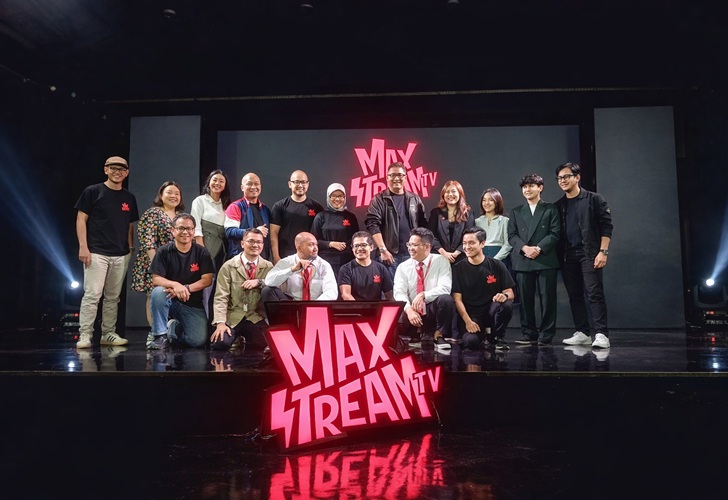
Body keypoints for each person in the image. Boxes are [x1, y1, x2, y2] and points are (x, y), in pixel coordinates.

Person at [75, 156, 139, 349]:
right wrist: (83, 247)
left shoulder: (129, 197)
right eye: (113, 168)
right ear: (106, 169)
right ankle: (85, 334)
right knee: (92, 295)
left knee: (113, 297)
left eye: (121, 169)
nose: (117, 172)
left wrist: (129, 249)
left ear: (127, 173)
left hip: (120, 253)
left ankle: (108, 333)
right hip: (96, 252)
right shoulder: (93, 191)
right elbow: (81, 219)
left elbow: (129, 226)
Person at [554, 162, 613, 349]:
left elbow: (606, 226)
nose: (562, 181)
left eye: (566, 176)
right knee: (575, 295)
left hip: (589, 253)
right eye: (559, 178)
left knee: (594, 294)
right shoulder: (559, 205)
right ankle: (583, 332)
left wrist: (603, 251)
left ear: (577, 177)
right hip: (567, 255)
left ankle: (601, 334)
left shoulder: (594, 199)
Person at [147, 214, 215, 350]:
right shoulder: (164, 251)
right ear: (173, 230)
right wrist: (176, 285)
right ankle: (159, 335)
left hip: (192, 303)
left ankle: (173, 329)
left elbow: (207, 280)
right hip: (170, 298)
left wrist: (186, 288)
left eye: (189, 228)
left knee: (198, 341)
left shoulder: (202, 253)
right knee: (158, 292)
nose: (185, 232)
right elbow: (156, 279)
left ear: (194, 231)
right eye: (181, 228)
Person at [508, 174, 561, 346]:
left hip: (545, 258)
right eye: (525, 187)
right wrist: (525, 248)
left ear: (540, 188)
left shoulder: (550, 209)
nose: (527, 189)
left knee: (548, 299)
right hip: (523, 259)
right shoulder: (516, 211)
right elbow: (512, 235)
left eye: (531, 186)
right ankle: (529, 333)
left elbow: (555, 233)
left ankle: (546, 334)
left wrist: (538, 248)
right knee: (525, 300)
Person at [452, 227, 516, 351]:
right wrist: (468, 321)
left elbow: (510, 292)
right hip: (471, 315)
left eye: (471, 243)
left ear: (482, 244)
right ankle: (481, 335)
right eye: (464, 243)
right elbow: (457, 299)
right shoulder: (458, 268)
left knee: (506, 305)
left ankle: (496, 336)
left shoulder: (496, 265)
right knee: (471, 342)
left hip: (491, 311)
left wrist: (504, 296)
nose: (467, 247)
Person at [130, 181, 184, 326]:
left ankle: (169, 331)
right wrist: (157, 266)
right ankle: (156, 332)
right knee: (154, 296)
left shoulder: (181, 216)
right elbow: (148, 240)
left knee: (171, 296)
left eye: (177, 193)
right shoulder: (153, 213)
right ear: (161, 195)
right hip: (154, 261)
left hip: (175, 263)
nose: (173, 196)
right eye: (169, 192)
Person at [210, 228, 273, 350]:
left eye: (259, 242)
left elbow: (277, 287)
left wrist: (259, 282)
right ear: (242, 243)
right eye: (251, 241)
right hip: (233, 316)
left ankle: (245, 338)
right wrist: (220, 323)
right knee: (220, 343)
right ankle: (236, 337)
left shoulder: (268, 267)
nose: (255, 245)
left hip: (254, 317)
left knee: (265, 343)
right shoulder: (228, 266)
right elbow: (220, 297)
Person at [365, 162, 427, 281]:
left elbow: (423, 226)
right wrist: (383, 250)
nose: (396, 178)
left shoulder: (414, 199)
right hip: (390, 256)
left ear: (405, 177)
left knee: (414, 288)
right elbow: (372, 225)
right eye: (392, 175)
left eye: (400, 175)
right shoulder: (379, 199)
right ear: (387, 178)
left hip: (412, 254)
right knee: (391, 291)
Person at [393, 227, 454, 349]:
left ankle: (438, 335)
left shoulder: (441, 261)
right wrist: (409, 310)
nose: (410, 248)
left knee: (446, 300)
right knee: (401, 307)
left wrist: (423, 295)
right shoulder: (403, 267)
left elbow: (445, 288)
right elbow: (399, 293)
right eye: (409, 244)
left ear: (427, 247)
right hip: (412, 312)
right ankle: (415, 333)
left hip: (431, 310)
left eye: (415, 245)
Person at [262, 232, 338, 301]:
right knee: (267, 290)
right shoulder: (286, 262)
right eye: (311, 244)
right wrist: (292, 269)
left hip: (316, 304)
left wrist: (314, 306)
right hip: (292, 304)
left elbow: (332, 291)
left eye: (316, 244)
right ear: (299, 248)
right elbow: (268, 281)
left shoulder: (324, 265)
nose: (316, 248)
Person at [269, 170, 323, 264]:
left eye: (303, 182)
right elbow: (273, 233)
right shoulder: (280, 206)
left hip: (309, 256)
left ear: (308, 184)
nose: (300, 185)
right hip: (285, 256)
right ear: (290, 184)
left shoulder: (317, 207)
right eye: (297, 182)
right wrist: (276, 256)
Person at [311, 183, 360, 282]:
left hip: (346, 260)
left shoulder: (351, 217)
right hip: (326, 260)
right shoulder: (321, 216)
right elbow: (314, 241)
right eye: (333, 196)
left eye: (340, 196)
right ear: (328, 197)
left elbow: (356, 239)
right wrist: (331, 244)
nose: (337, 199)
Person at [224, 172, 271, 261]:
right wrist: (253, 232)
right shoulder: (235, 206)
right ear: (242, 187)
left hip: (262, 260)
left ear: (260, 187)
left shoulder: (265, 209)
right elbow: (229, 231)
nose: (253, 187)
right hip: (240, 260)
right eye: (249, 184)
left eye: (256, 184)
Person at [191, 170, 231, 270]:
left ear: (225, 186)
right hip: (205, 246)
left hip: (223, 249)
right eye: (214, 180)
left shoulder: (227, 204)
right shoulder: (200, 201)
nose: (217, 183)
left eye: (221, 181)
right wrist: (202, 250)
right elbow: (196, 227)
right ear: (209, 183)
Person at [428, 180, 474, 265]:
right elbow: (431, 235)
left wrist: (456, 253)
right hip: (439, 257)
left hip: (461, 257)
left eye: (453, 191)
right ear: (443, 195)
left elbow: (469, 235)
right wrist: (444, 253)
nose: (450, 194)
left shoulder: (467, 213)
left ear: (460, 194)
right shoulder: (436, 213)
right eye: (447, 192)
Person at [339, 231, 394, 301]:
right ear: (352, 248)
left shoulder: (381, 268)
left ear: (371, 247)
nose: (359, 249)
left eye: (363, 245)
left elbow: (390, 296)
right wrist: (360, 308)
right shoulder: (346, 269)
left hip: (376, 307)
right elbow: (346, 295)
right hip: (354, 307)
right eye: (356, 246)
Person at [474, 188, 512, 261]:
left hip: (500, 258)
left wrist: (495, 260)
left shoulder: (505, 221)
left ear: (497, 202)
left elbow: (508, 244)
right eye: (484, 200)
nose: (487, 203)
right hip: (481, 258)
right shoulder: (477, 222)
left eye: (490, 200)